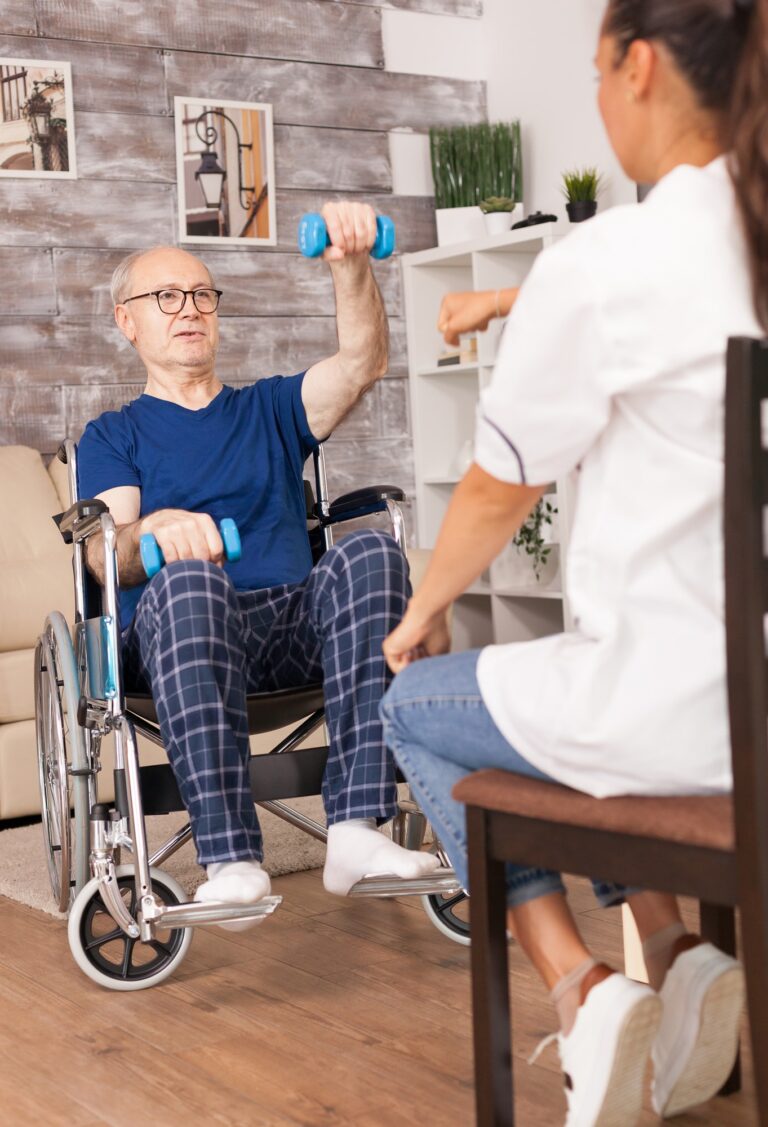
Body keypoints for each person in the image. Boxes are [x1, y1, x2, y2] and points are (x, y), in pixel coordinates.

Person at [379, 1, 767, 1123]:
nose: (597, 101)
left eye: (596, 74)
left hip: (671, 718)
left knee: (422, 703)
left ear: (637, 67)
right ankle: (677, 949)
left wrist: (421, 609)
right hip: (751, 702)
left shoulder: (612, 258)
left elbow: (501, 487)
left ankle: (582, 987)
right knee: (550, 698)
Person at [77, 200, 439, 926]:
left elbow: (363, 362)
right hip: (178, 637)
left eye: (202, 295)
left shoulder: (270, 408)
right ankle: (232, 857)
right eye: (166, 297)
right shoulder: (114, 435)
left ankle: (357, 830)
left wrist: (351, 266)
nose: (189, 310)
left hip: (285, 625)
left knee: (370, 549)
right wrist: (152, 527)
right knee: (184, 582)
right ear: (128, 321)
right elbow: (104, 554)